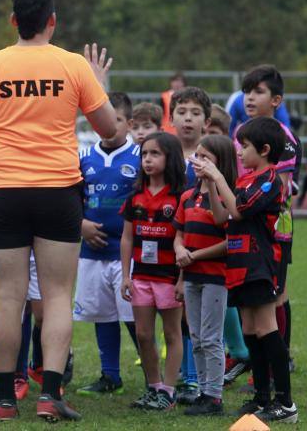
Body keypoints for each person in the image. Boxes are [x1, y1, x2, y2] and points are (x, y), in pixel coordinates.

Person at [0, 0, 117, 423]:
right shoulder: (73, 66)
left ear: (14, 20)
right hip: (58, 190)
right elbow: (110, 128)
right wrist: (99, 83)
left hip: (5, 191)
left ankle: (2, 400)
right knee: (56, 295)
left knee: (8, 298)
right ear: (52, 22)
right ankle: (49, 393)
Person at [194, 116, 298, 424]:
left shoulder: (269, 180)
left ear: (264, 150)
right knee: (251, 330)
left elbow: (238, 210)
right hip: (240, 263)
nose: (240, 152)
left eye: (245, 146)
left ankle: (285, 403)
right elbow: (220, 216)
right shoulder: (245, 180)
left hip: (260, 263)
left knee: (266, 328)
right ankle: (262, 397)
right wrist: (212, 182)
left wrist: (218, 176)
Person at [231, 65, 301, 392]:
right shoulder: (244, 132)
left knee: (274, 299)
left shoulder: (282, 139)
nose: (249, 98)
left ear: (276, 100)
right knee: (253, 307)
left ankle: (278, 365)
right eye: (247, 91)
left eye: (257, 92)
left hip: (273, 232)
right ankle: (262, 373)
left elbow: (279, 188)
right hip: (247, 228)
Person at [74, 92, 141, 396]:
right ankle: (110, 376)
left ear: (129, 123)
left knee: (135, 318)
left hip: (130, 254)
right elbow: (71, 199)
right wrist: (81, 224)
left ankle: (158, 377)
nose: (109, 126)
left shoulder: (142, 156)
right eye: (103, 120)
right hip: (92, 252)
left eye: (116, 120)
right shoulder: (84, 157)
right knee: (102, 315)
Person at [120, 132, 186, 411]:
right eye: (144, 154)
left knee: (172, 334)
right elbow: (127, 238)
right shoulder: (135, 197)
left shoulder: (180, 197)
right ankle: (154, 386)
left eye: (155, 154)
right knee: (144, 335)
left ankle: (168, 392)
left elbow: (186, 241)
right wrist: (126, 275)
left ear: (170, 158)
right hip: (142, 277)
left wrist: (183, 279)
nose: (148, 159)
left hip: (169, 278)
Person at [173, 134, 236, 416]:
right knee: (196, 337)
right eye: (197, 156)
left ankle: (214, 396)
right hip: (192, 276)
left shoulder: (224, 196)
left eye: (206, 158)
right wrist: (179, 250)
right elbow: (179, 233)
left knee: (211, 338)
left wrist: (194, 255)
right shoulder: (187, 196)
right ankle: (202, 391)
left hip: (214, 276)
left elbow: (227, 235)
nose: (198, 162)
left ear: (220, 163)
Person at [169, 86, 213, 403]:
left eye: (195, 113)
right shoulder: (161, 154)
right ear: (171, 118)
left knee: (193, 316)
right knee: (170, 311)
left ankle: (194, 378)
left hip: (197, 248)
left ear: (206, 122)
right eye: (182, 112)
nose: (188, 119)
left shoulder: (209, 161)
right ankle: (180, 375)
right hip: (165, 246)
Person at [225, 89, 290, 137]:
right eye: (247, 91)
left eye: (259, 92)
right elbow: (229, 126)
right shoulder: (236, 98)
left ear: (275, 100)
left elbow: (284, 123)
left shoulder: (274, 100)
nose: (250, 97)